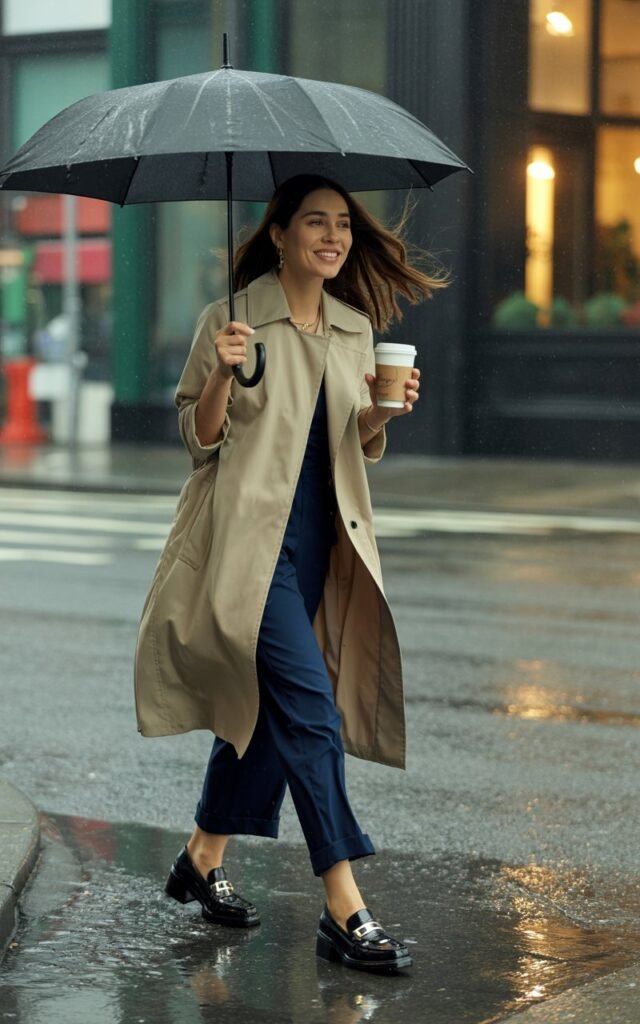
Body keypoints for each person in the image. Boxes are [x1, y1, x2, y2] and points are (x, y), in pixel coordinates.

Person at [134, 174, 447, 975]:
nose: (334, 236)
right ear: (280, 234)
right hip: (249, 552)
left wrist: (383, 411)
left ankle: (201, 856)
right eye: (316, 222)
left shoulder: (352, 326)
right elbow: (198, 439)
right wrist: (218, 374)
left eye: (343, 224)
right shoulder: (234, 319)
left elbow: (349, 438)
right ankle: (345, 906)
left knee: (270, 712)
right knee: (310, 712)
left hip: (322, 545)